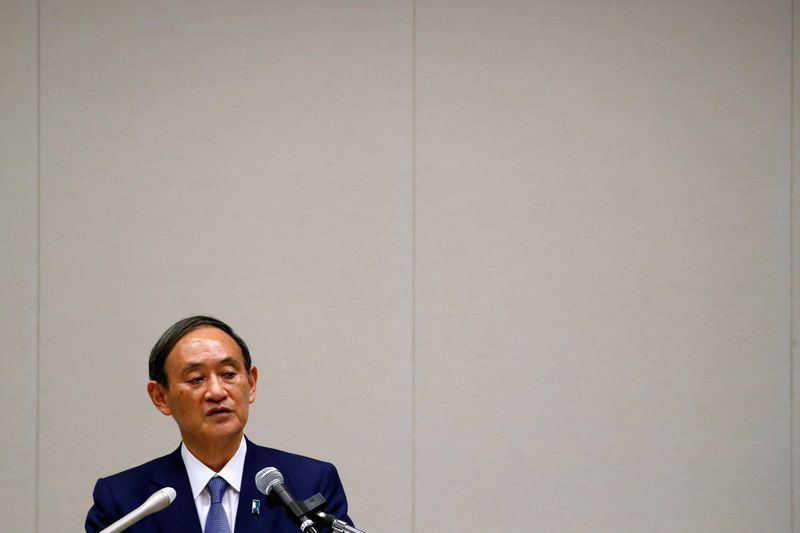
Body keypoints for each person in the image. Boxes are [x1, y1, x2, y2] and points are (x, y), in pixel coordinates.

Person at [85, 315, 352, 533]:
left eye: (228, 374)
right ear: (160, 397)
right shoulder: (123, 500)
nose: (216, 391)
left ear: (251, 384)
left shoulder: (310, 482)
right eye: (196, 379)